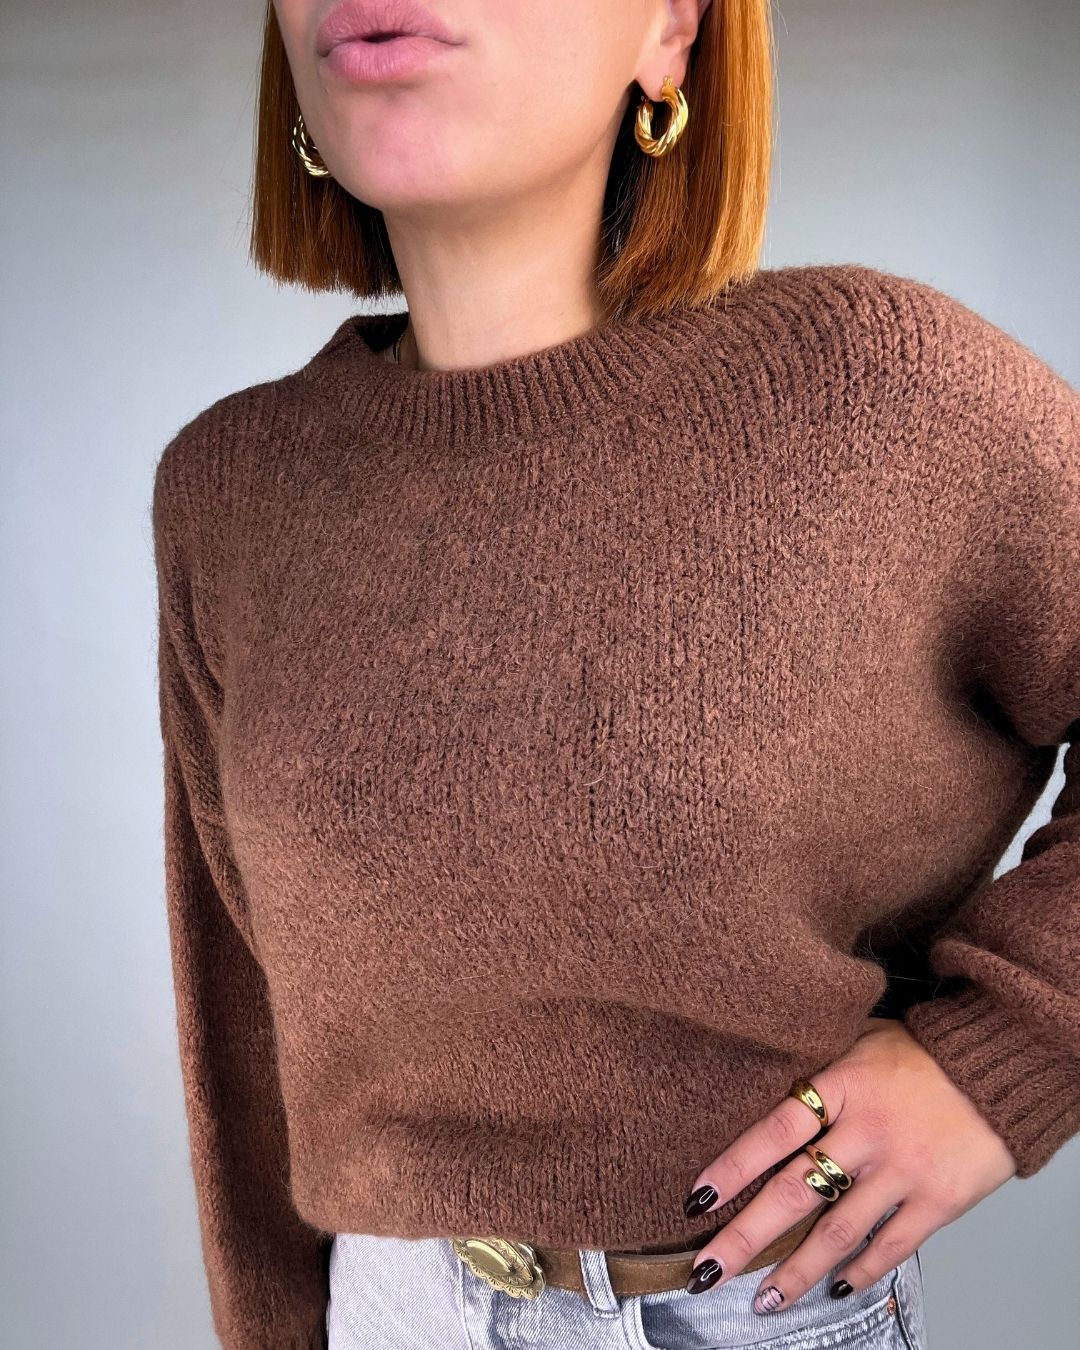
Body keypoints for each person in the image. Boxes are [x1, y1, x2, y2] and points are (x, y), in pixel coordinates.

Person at [150, 1, 1080, 1347]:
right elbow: (241, 1022)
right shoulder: (231, 488)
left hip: (743, 1307)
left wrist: (1014, 1052)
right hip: (385, 1309)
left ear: (670, 31)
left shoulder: (882, 394)